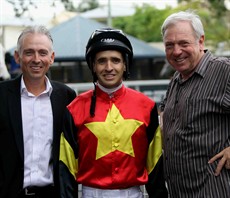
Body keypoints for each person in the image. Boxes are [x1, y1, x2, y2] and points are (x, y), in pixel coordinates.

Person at [59, 28, 168, 198]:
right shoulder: (74, 109)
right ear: (93, 66)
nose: (109, 67)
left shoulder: (147, 106)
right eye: (102, 61)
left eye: (115, 60)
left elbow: (155, 165)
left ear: (125, 65)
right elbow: (66, 169)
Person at [159, 10, 230, 198]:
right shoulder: (176, 79)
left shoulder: (224, 72)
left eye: (184, 43)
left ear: (200, 41)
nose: (176, 51)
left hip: (215, 190)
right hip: (179, 191)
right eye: (169, 45)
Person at [0, 25, 76, 198]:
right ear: (17, 57)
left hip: (53, 194)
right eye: (29, 52)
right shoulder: (2, 95)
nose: (36, 59)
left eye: (42, 53)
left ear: (52, 57)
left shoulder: (66, 96)